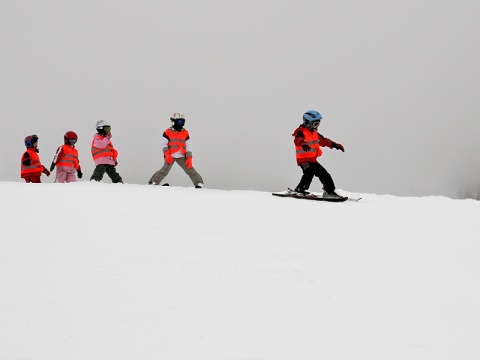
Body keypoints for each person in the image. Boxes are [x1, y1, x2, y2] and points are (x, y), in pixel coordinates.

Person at [292, 110, 345, 197]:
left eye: (318, 124)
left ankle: (329, 191)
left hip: (312, 160)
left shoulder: (315, 133)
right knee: (309, 172)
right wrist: (303, 143)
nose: (317, 126)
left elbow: (324, 141)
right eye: (315, 124)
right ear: (307, 123)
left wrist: (335, 145)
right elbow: (297, 139)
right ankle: (300, 189)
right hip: (304, 160)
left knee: (324, 174)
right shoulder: (301, 131)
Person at [148, 112, 204, 188]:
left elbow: (188, 145)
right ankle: (154, 182)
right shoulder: (167, 132)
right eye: (179, 121)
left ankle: (198, 183)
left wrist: (189, 157)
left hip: (181, 155)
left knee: (190, 169)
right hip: (170, 155)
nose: (180, 124)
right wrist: (167, 154)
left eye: (182, 121)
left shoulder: (185, 133)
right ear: (173, 121)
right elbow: (164, 144)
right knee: (165, 170)